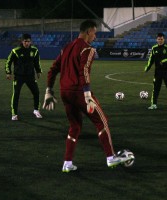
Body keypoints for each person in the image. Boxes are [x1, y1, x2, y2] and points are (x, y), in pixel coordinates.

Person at [43, 20, 132, 172]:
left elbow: (53, 69)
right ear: (88, 32)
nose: (95, 37)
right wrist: (87, 94)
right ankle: (111, 158)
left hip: (65, 93)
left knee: (75, 126)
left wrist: (48, 91)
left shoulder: (66, 48)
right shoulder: (87, 49)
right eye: (94, 33)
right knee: (102, 121)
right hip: (79, 93)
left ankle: (67, 163)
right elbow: (83, 71)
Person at [5, 33, 43, 121]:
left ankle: (36, 110)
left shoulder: (34, 50)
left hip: (30, 76)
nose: (27, 43)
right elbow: (8, 61)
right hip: (19, 77)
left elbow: (37, 62)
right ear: (22, 41)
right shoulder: (15, 51)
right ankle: (14, 114)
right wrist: (8, 72)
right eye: (25, 41)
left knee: (36, 92)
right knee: (16, 94)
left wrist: (38, 71)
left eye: (29, 41)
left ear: (31, 42)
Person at [145, 33, 167, 110]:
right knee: (156, 89)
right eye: (159, 39)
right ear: (156, 40)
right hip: (157, 72)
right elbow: (151, 59)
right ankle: (154, 104)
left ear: (164, 39)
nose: (160, 40)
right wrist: (148, 67)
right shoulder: (154, 48)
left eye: (161, 39)